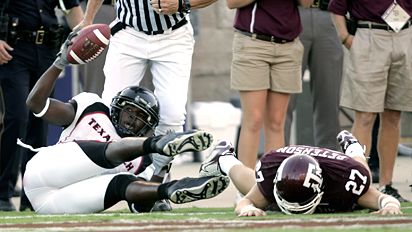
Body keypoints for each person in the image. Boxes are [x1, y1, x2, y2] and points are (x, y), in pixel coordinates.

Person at [21, 37, 229, 214]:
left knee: (123, 182)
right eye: (129, 111)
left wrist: (160, 178)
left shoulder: (144, 163)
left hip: (55, 203)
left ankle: (173, 188)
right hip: (42, 173)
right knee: (111, 153)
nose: (132, 119)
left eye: (140, 116)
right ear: (116, 108)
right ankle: (157, 143)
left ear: (148, 126)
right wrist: (60, 62)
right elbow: (35, 104)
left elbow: (140, 206)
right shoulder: (92, 106)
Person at [76, 0, 219, 210]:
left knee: (172, 116)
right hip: (128, 32)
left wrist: (183, 3)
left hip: (173, 35)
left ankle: (155, 186)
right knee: (109, 110)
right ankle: (102, 183)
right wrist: (88, 18)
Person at [0, 0, 83, 212]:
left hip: (46, 50)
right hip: (14, 50)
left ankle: (32, 195)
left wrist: (86, 36)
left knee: (40, 121)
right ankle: (3, 192)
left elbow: (73, 9)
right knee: (17, 118)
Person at [199, 130, 403, 216]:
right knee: (255, 186)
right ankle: (224, 158)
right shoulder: (272, 170)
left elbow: (383, 199)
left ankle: (353, 148)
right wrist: (246, 210)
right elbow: (244, 201)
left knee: (363, 175)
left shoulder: (345, 178)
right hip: (284, 158)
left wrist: (391, 206)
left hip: (336, 165)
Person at [328, 0, 411, 202]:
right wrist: (345, 37)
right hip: (369, 33)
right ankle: (357, 185)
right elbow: (336, 6)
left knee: (393, 115)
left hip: (404, 33)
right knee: (365, 116)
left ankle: (387, 185)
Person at [227, 0, 313, 175]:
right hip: (253, 44)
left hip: (288, 46)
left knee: (276, 122)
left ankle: (272, 187)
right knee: (254, 119)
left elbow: (307, 2)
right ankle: (246, 187)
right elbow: (231, 2)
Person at [285, 0, 343, 150]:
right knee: (284, 98)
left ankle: (329, 161)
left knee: (329, 98)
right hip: (292, 12)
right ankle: (278, 158)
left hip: (328, 13)